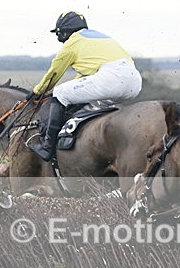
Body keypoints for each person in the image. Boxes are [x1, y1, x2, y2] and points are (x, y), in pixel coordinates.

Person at [25, 11, 142, 162]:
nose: (59, 39)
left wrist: (37, 91)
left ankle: (47, 147)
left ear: (64, 31)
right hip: (134, 82)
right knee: (84, 104)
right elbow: (88, 78)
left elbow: (54, 73)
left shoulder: (72, 42)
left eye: (58, 34)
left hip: (111, 78)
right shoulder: (97, 36)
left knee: (60, 93)